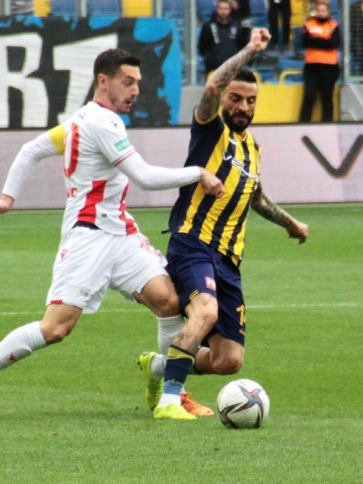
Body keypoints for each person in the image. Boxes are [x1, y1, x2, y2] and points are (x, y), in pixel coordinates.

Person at [0, 48, 225, 421]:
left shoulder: (82, 120)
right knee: (56, 328)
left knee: (169, 300)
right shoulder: (100, 123)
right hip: (89, 238)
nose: (135, 90)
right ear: (103, 81)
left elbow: (31, 150)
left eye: (138, 83)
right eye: (127, 82)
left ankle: (171, 395)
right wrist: (197, 173)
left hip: (121, 234)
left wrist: (9, 197)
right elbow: (144, 176)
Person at [138, 28, 310, 421]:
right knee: (205, 314)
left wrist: (289, 223)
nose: (243, 107)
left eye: (251, 101)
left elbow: (256, 197)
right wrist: (251, 49)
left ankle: (159, 366)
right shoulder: (209, 129)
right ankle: (169, 400)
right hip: (193, 244)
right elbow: (213, 85)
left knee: (228, 359)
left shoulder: (252, 149)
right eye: (236, 98)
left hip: (229, 260)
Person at [299, 0, 340, 122]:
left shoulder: (333, 25)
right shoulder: (309, 24)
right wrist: (324, 40)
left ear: (328, 12)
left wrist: (315, 40)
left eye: (324, 10)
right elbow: (305, 42)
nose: (321, 13)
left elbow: (333, 43)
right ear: (316, 11)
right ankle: (303, 125)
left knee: (327, 97)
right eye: (319, 10)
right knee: (309, 96)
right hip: (312, 68)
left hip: (329, 68)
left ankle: (327, 124)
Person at [198, 0, 244, 76]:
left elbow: (241, 45)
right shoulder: (208, 26)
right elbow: (202, 47)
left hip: (232, 68)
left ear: (230, 10)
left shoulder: (236, 26)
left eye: (226, 9)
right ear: (216, 9)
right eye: (221, 9)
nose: (223, 12)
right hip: (213, 69)